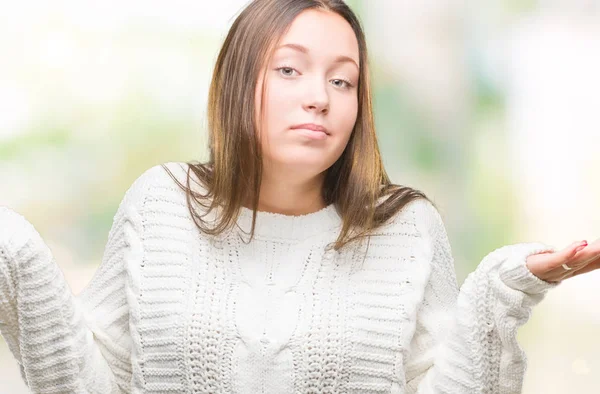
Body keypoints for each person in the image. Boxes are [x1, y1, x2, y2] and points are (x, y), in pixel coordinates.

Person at [1, 0, 599, 393]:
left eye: (342, 80)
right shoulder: (161, 203)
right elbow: (87, 381)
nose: (321, 96)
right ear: (239, 83)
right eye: (291, 70)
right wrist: (15, 249)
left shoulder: (405, 228)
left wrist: (506, 287)